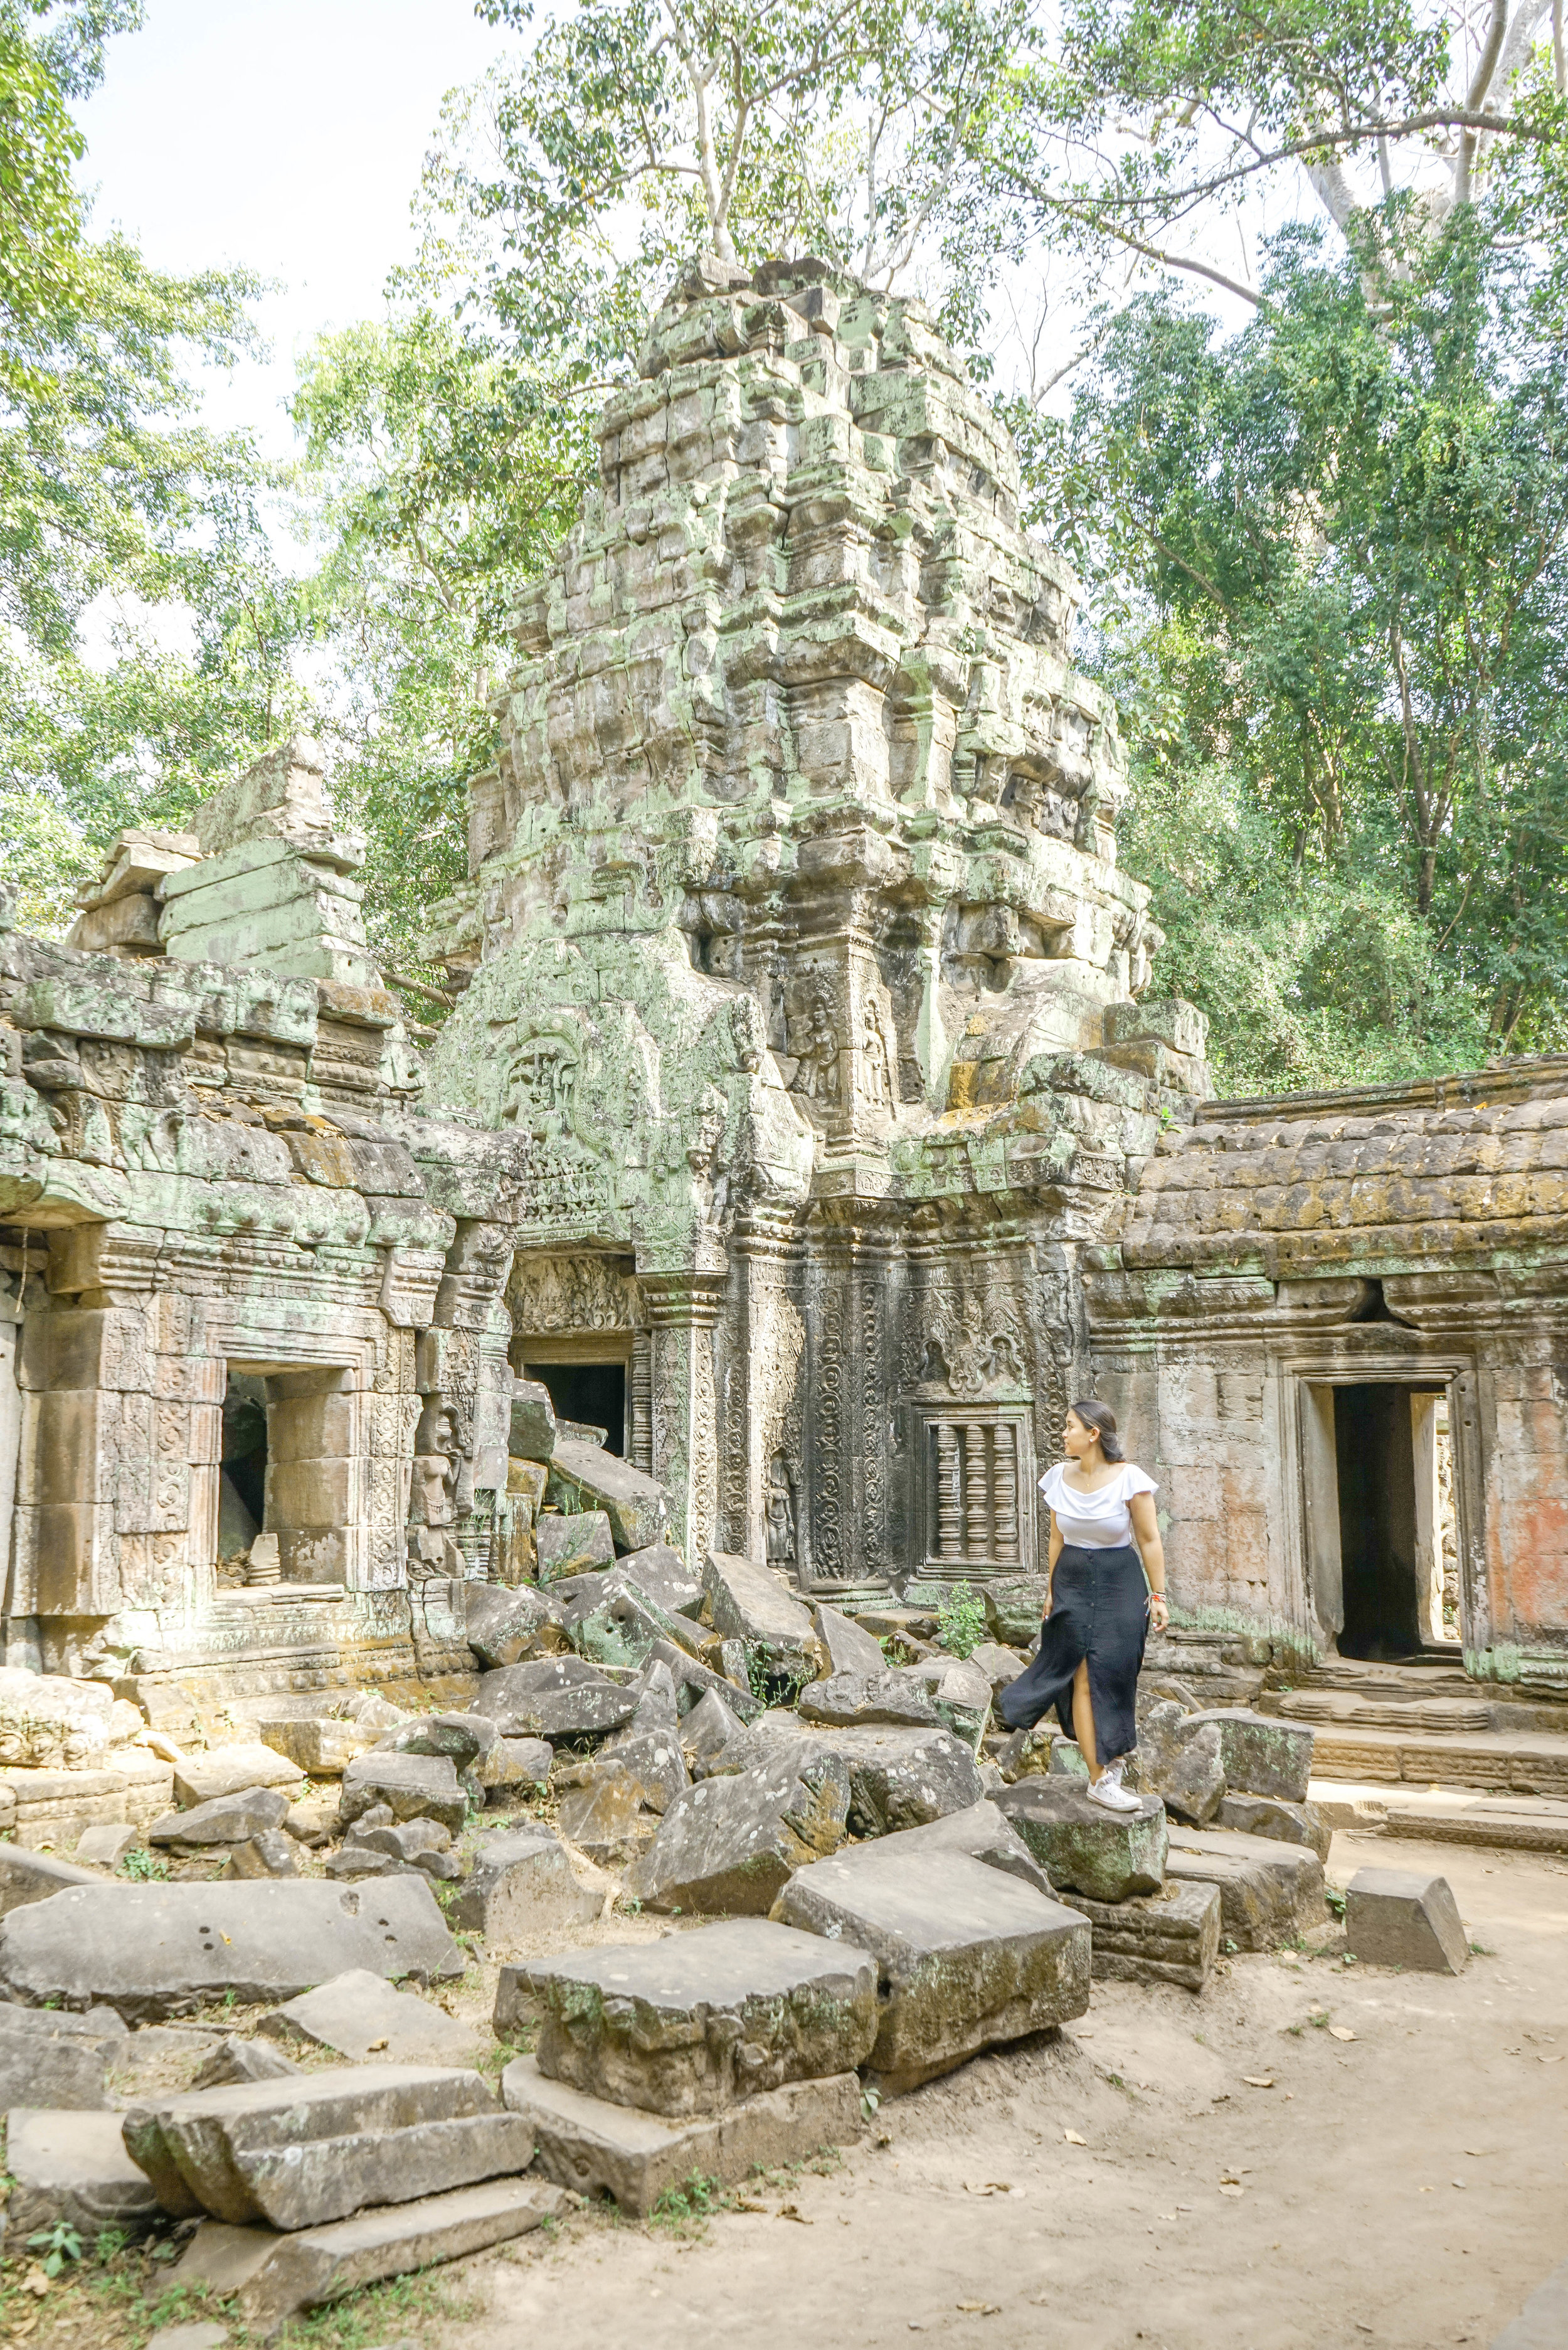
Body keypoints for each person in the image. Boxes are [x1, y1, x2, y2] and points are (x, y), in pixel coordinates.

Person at [997, 1398, 1169, 1812]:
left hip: (1120, 1580)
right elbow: (1056, 1539)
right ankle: (1100, 1777)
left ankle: (1113, 1758)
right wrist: (1052, 1590)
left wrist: (1158, 1595)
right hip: (1072, 1577)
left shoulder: (1131, 1479)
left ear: (1093, 1433)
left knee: (1116, 1669)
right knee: (1082, 1675)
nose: (1063, 1434)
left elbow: (1149, 1540)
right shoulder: (1058, 1477)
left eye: (1070, 1427)